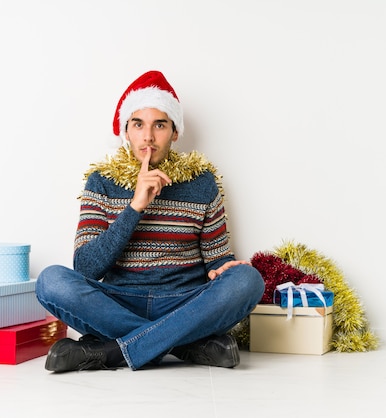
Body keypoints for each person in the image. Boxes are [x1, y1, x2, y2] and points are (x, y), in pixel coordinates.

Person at [36, 70, 265, 372]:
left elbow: (216, 261)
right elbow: (87, 268)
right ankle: (184, 343)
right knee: (50, 280)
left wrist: (224, 268)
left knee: (248, 280)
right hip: (119, 302)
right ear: (125, 131)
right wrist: (135, 206)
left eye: (160, 124)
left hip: (184, 301)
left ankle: (112, 352)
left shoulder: (202, 182)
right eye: (138, 124)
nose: (148, 137)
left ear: (175, 132)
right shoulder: (101, 182)